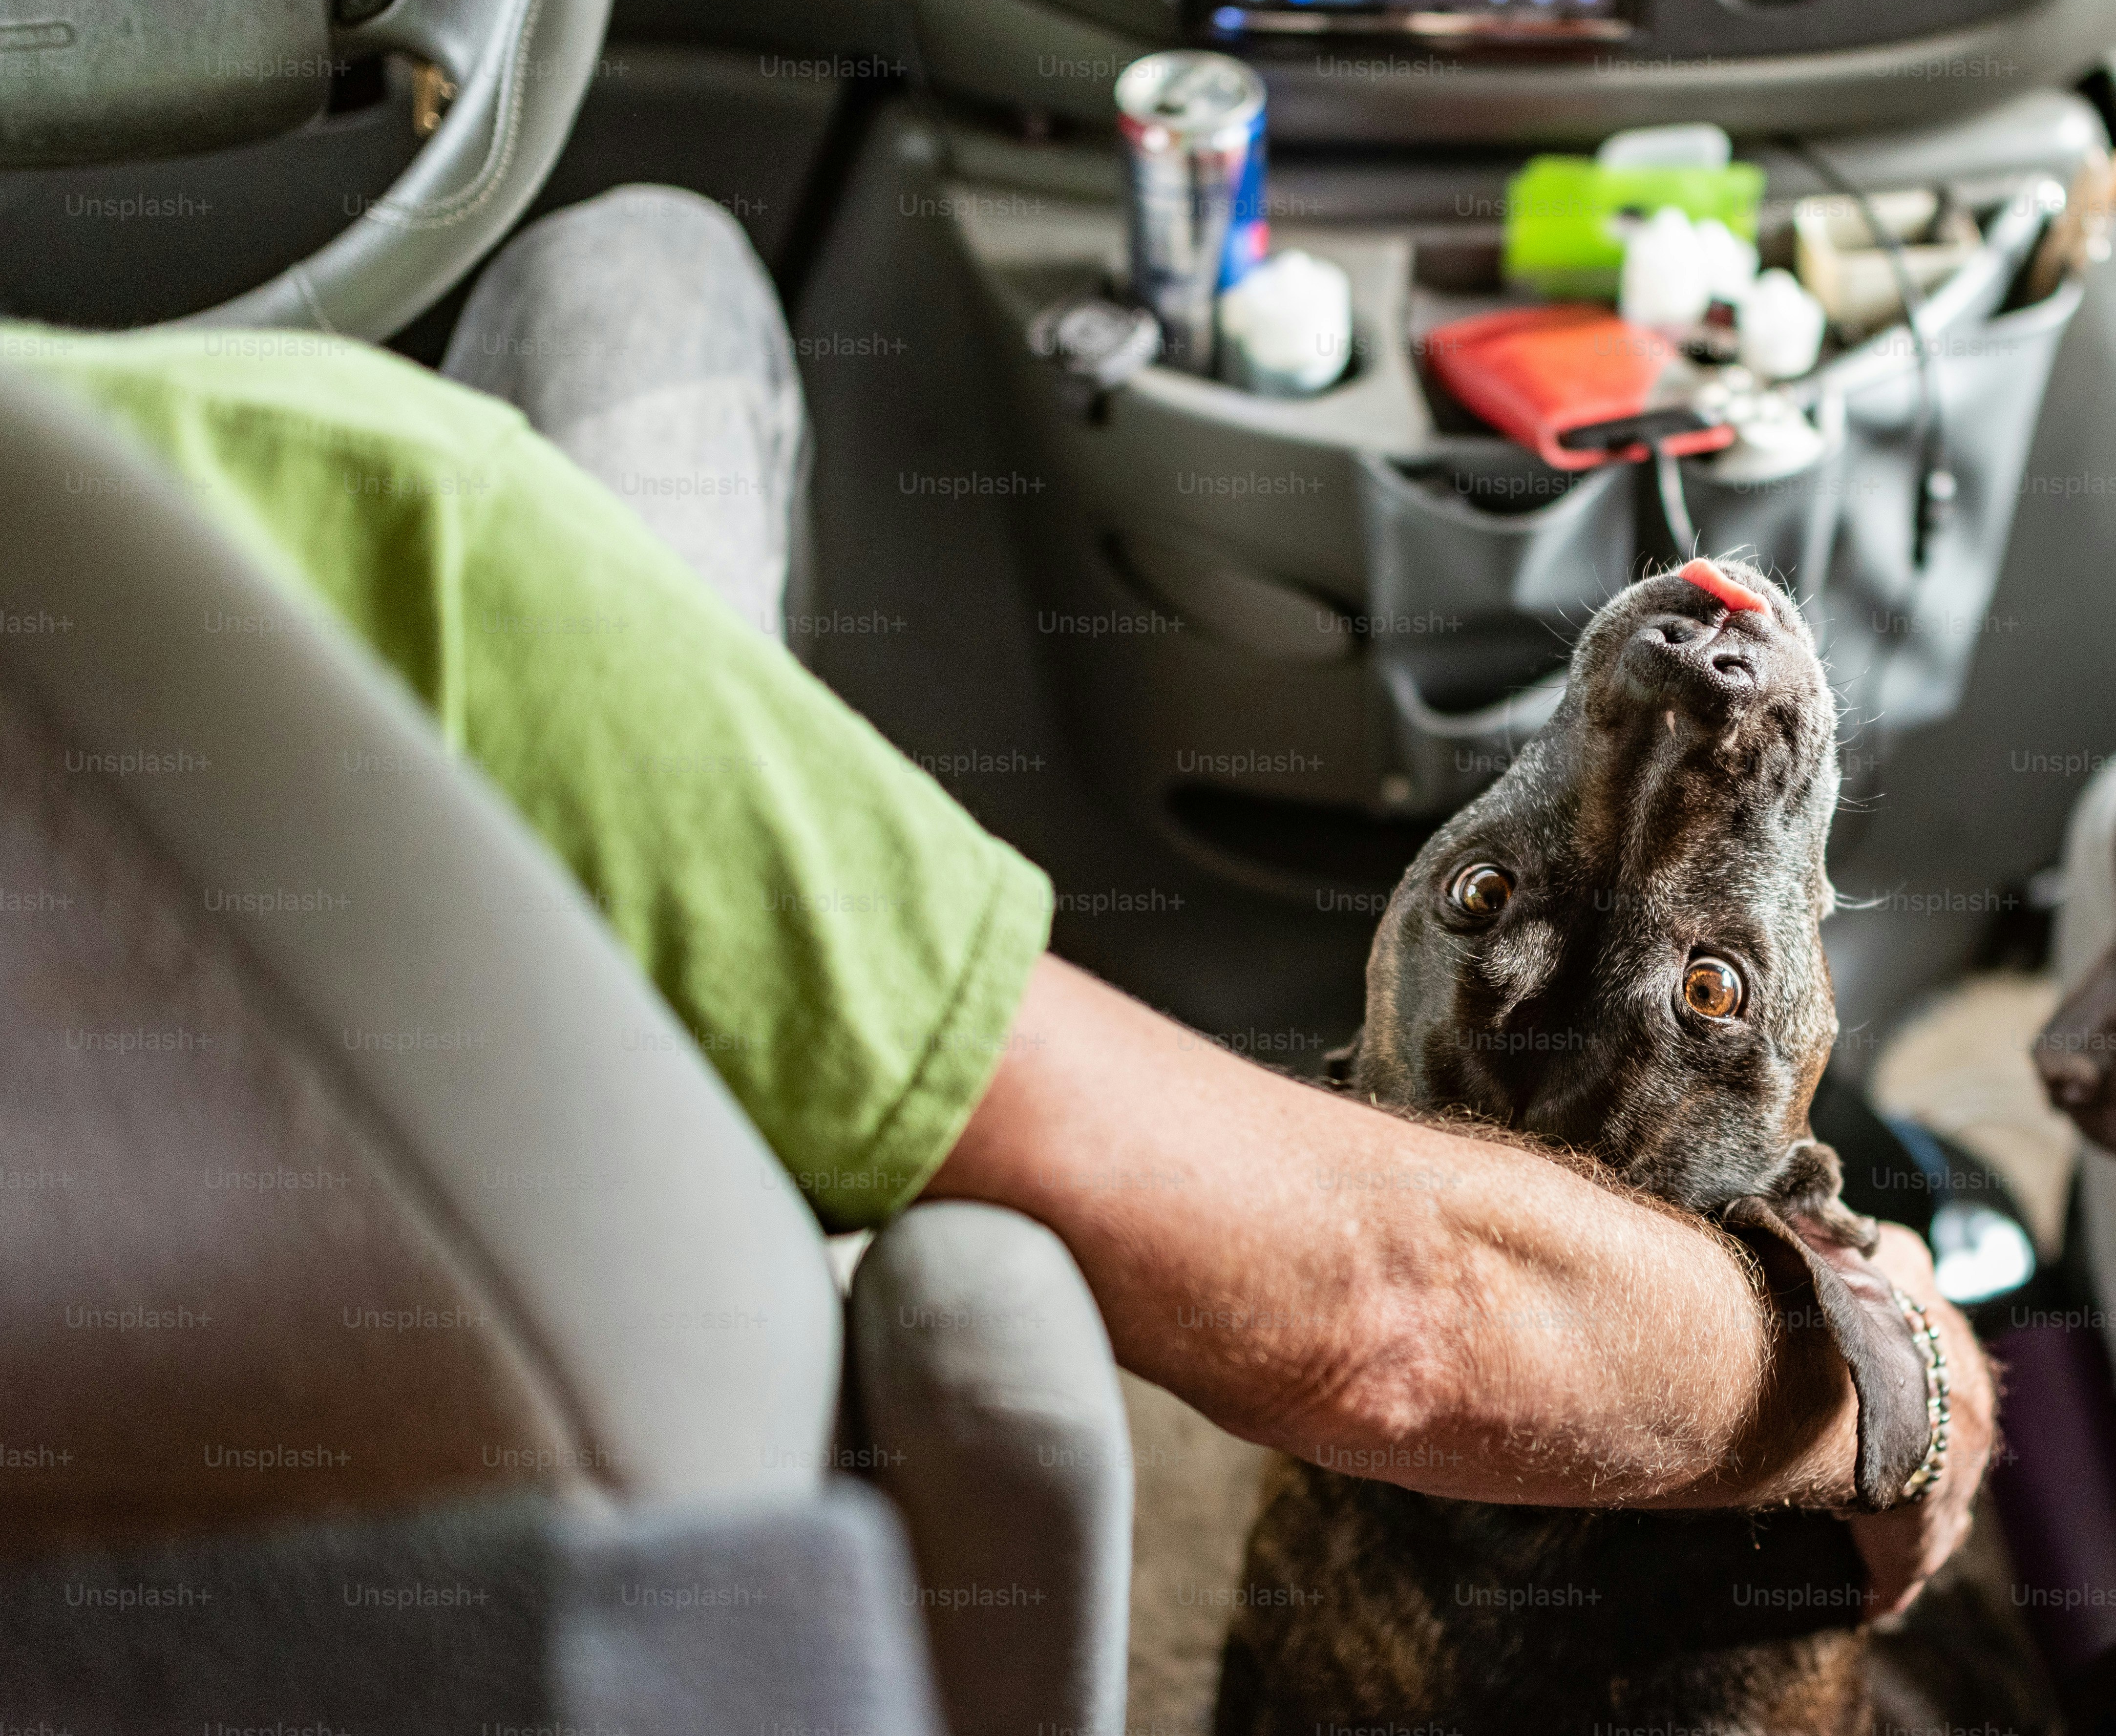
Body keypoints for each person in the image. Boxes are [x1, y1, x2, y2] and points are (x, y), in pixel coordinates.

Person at [2, 185, 1995, 1715]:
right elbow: (1384, 1306)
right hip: (640, 1508)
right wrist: (1887, 1374)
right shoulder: (370, 511)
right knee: (645, 266)